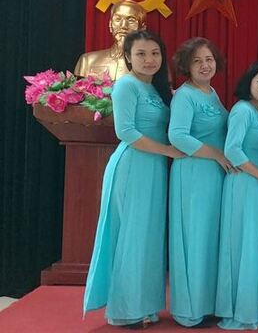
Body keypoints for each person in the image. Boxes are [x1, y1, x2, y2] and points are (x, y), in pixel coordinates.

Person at [83, 30, 182, 328]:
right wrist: (168, 150)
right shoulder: (126, 85)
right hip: (132, 166)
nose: (149, 59)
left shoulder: (156, 88)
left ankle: (145, 306)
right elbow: (125, 132)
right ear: (128, 57)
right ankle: (125, 310)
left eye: (154, 53)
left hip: (154, 169)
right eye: (141, 54)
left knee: (149, 238)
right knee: (131, 235)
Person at [168, 37, 231, 327]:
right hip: (193, 174)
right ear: (186, 66)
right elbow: (177, 136)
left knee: (209, 238)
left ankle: (207, 303)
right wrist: (216, 153)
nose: (205, 65)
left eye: (209, 59)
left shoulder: (211, 92)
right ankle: (190, 310)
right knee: (193, 237)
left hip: (214, 175)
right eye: (197, 61)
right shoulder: (185, 95)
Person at [215, 62, 258, 330]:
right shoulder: (242, 110)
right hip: (244, 184)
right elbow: (232, 150)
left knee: (252, 248)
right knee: (240, 247)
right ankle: (237, 313)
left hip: (257, 186)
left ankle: (248, 309)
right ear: (249, 83)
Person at [74, 0, 147, 80]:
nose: (123, 26)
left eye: (131, 20)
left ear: (142, 29)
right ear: (110, 25)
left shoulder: (149, 63)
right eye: (118, 19)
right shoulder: (88, 60)